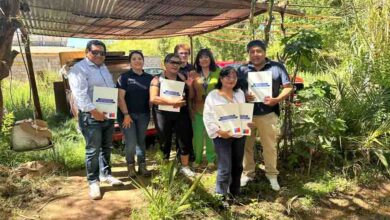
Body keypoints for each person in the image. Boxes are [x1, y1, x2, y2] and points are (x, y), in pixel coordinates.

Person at [68, 40, 123, 200]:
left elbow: (110, 88)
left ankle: (106, 174)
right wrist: (94, 111)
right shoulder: (79, 69)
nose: (99, 55)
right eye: (95, 52)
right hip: (91, 116)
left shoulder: (103, 68)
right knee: (93, 150)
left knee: (106, 146)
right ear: (87, 52)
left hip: (107, 114)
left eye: (102, 53)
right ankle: (93, 182)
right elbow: (80, 94)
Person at [238, 40, 293, 191]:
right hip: (246, 114)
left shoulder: (276, 67)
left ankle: (272, 174)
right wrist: (244, 94)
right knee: (246, 146)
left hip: (268, 114)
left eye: (258, 51)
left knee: (269, 146)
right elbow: (233, 88)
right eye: (252, 52)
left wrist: (277, 99)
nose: (255, 54)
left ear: (264, 52)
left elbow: (288, 87)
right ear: (248, 53)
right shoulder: (242, 69)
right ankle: (248, 173)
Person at [203, 66, 249, 207]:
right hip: (221, 137)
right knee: (225, 167)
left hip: (239, 134)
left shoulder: (239, 93)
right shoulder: (213, 96)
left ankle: (235, 192)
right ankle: (220, 196)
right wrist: (218, 131)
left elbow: (243, 112)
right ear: (221, 79)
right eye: (227, 77)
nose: (231, 80)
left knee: (238, 165)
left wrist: (248, 122)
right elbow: (208, 116)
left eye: (234, 77)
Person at [150, 53, 196, 177]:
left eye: (178, 63)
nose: (175, 65)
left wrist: (190, 86)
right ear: (165, 64)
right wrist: (172, 102)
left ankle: (184, 166)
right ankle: (165, 168)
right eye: (172, 62)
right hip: (162, 114)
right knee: (165, 140)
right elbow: (153, 98)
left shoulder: (182, 76)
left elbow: (190, 97)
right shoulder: (156, 79)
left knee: (184, 139)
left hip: (181, 114)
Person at [117, 51, 153, 178]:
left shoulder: (149, 78)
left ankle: (142, 166)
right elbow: (120, 98)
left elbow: (152, 97)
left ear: (143, 61)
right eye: (134, 59)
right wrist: (126, 114)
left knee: (141, 141)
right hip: (127, 115)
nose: (137, 61)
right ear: (130, 62)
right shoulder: (124, 77)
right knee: (131, 141)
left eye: (139, 58)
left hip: (143, 114)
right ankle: (130, 167)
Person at [191, 48, 220, 168]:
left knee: (211, 134)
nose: (204, 59)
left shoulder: (218, 71)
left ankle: (211, 159)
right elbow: (190, 92)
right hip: (197, 108)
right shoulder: (193, 74)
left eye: (206, 57)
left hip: (213, 109)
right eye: (201, 57)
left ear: (210, 58)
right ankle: (197, 159)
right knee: (197, 136)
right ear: (198, 60)